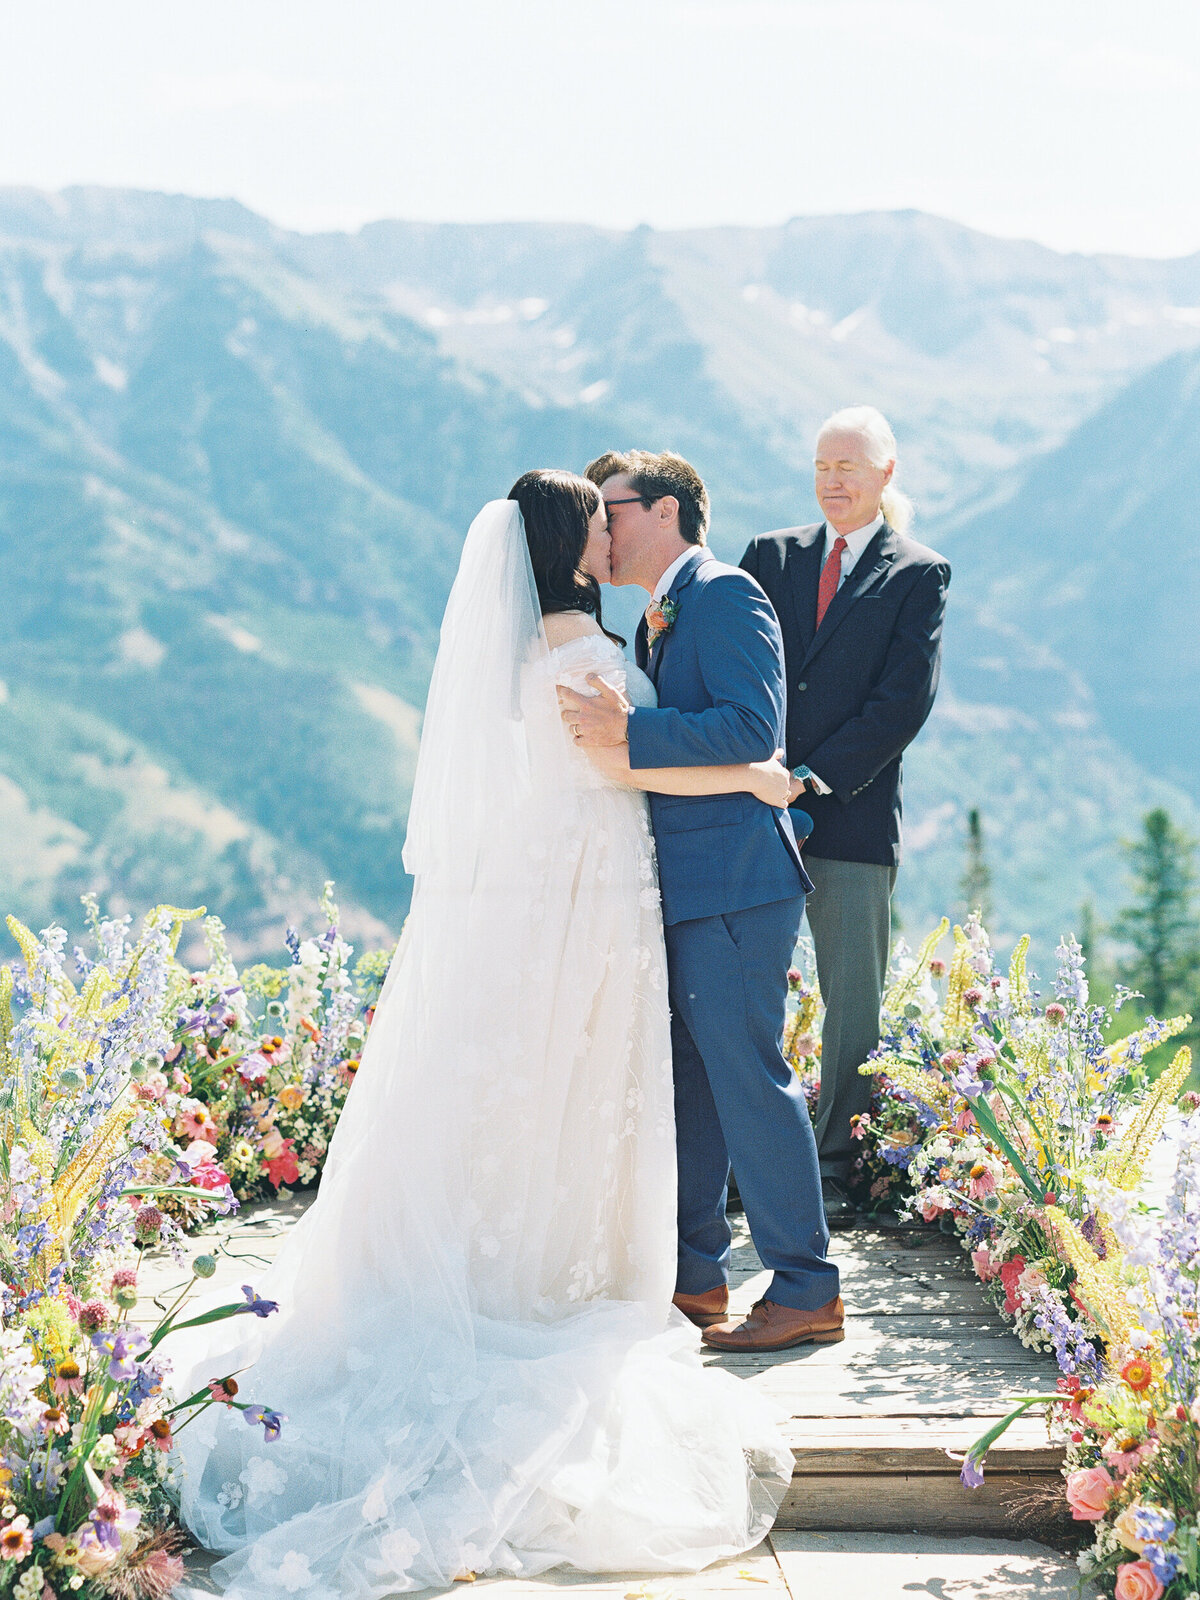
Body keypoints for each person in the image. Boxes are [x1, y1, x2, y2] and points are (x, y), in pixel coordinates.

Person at [171, 470, 797, 1599]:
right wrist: (760, 774)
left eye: (621, 515)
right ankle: (566, 1275)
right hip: (594, 899)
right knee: (585, 1084)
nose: (611, 531)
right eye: (596, 520)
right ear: (568, 544)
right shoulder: (584, 658)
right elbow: (618, 760)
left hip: (540, 895)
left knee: (531, 1084)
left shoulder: (527, 653)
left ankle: (525, 1259)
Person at [561, 450, 841, 1355]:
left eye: (612, 509)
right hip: (683, 885)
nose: (600, 528)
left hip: (733, 884)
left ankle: (806, 1286)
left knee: (750, 1078)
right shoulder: (651, 619)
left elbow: (754, 727)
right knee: (693, 1082)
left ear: (669, 511)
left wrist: (630, 731)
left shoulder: (725, 594)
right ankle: (696, 1275)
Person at [740, 408, 950, 1226]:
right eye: (823, 464)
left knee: (851, 1005)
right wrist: (758, 775)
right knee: (742, 990)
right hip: (751, 809)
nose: (834, 479)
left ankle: (838, 1171)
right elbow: (748, 668)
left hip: (851, 819)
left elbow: (902, 705)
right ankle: (746, 1159)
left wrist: (810, 780)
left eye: (851, 466)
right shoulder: (770, 556)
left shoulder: (918, 572)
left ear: (887, 472)